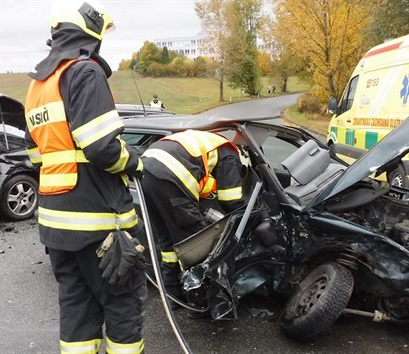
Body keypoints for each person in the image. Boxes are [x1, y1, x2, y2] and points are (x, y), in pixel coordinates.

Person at [23, 1, 146, 353]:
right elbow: (103, 148)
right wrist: (134, 161)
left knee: (76, 308)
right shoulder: (85, 72)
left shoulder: (39, 85)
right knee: (121, 303)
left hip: (55, 223)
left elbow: (37, 155)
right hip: (97, 222)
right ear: (90, 32)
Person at [140, 129, 245, 304]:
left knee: (168, 243)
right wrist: (247, 216)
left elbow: (201, 181)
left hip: (145, 172)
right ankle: (198, 302)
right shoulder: (230, 153)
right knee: (197, 244)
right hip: (170, 177)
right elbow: (230, 200)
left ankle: (173, 296)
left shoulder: (208, 143)